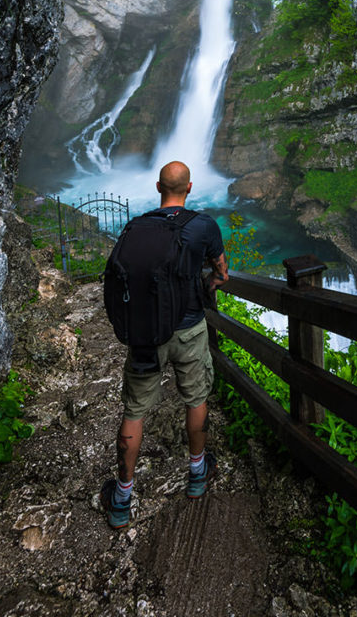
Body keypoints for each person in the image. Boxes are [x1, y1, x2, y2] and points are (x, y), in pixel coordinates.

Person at [100, 160, 229, 529]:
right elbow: (222, 272)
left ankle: (122, 498)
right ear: (189, 189)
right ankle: (197, 474)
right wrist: (208, 284)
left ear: (159, 188)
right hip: (189, 329)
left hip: (147, 333)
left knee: (134, 411)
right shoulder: (203, 225)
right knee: (196, 397)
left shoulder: (137, 226)